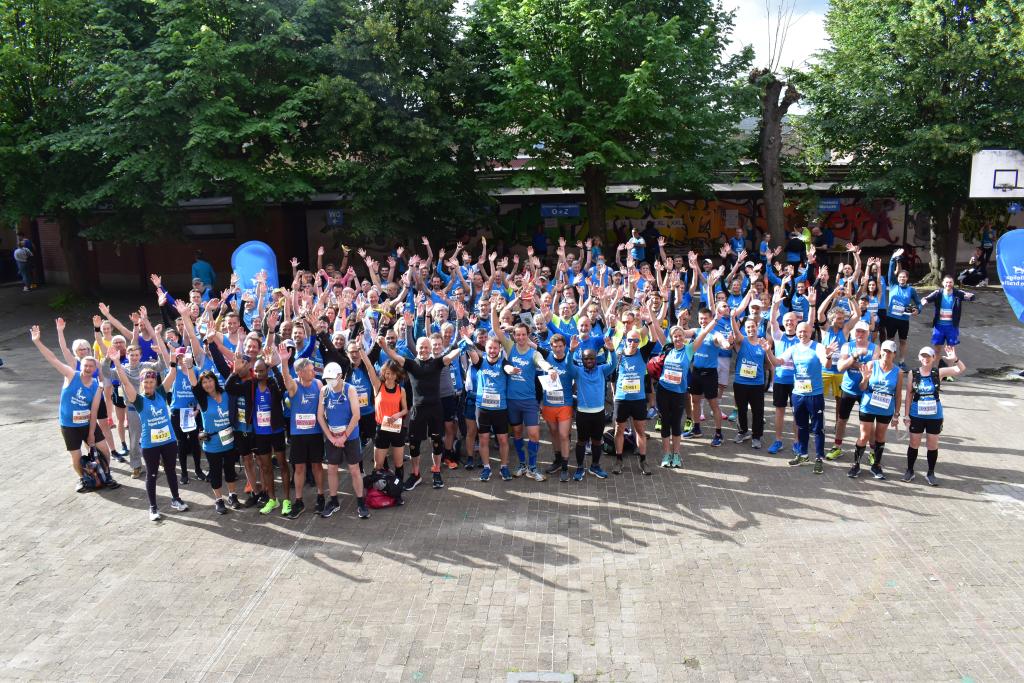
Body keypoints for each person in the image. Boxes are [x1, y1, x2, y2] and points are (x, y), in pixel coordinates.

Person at [31, 326, 115, 492]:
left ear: (95, 369)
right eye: (85, 365)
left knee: (104, 448)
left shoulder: (95, 387)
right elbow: (53, 359)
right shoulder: (71, 375)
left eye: (92, 366)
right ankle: (84, 479)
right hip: (69, 426)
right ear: (80, 365)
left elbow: (94, 412)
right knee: (76, 456)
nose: (88, 368)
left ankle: (106, 474)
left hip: (86, 424)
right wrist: (37, 341)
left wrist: (91, 433)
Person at [110, 345, 189, 521]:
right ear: (142, 382)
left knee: (170, 471)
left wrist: (174, 360)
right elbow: (126, 382)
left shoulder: (161, 392)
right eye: (146, 382)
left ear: (155, 382)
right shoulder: (137, 400)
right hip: (150, 444)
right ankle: (153, 508)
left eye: (151, 382)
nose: (149, 385)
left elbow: (172, 374)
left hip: (168, 441)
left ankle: (176, 499)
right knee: (152, 474)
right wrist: (116, 361)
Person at [378, 334, 462, 490]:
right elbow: (394, 355)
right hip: (418, 409)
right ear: (416, 349)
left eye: (426, 347)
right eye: (421, 347)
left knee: (437, 442)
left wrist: (462, 346)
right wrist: (383, 345)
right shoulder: (410, 364)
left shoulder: (437, 363)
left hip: (435, 409)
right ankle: (416, 474)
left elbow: (450, 355)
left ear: (430, 349)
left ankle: (436, 471)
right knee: (414, 444)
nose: (424, 350)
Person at [494, 320, 558, 481]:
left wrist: (549, 369)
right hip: (512, 400)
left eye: (524, 334)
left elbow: (542, 362)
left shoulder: (533, 353)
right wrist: (494, 307)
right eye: (518, 334)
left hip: (529, 401)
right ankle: (522, 464)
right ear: (514, 336)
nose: (521, 337)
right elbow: (496, 329)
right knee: (516, 433)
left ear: (528, 335)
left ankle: (533, 467)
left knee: (534, 434)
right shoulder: (509, 347)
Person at [775, 290, 829, 474]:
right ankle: (803, 454)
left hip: (814, 395)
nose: (802, 334)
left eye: (805, 331)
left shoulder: (818, 347)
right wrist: (767, 351)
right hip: (798, 395)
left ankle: (819, 457)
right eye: (799, 332)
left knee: (817, 429)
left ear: (810, 332)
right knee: (801, 426)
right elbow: (778, 362)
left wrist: (828, 357)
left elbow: (825, 362)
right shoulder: (794, 348)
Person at [901, 346, 965, 485]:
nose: (925, 358)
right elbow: (909, 395)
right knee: (914, 443)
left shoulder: (938, 372)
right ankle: (910, 470)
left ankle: (930, 473)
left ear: (933, 358)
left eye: (928, 356)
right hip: (917, 414)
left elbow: (960, 369)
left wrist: (955, 359)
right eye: (923, 356)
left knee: (932, 444)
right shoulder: (913, 373)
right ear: (919, 357)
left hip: (934, 415)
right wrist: (906, 416)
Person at [186, 364, 240, 514]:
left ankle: (232, 496)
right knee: (215, 473)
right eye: (204, 382)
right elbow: (193, 384)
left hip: (229, 441)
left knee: (230, 470)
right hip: (212, 444)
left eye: (210, 381)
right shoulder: (203, 399)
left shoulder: (226, 395)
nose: (208, 384)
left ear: (215, 381)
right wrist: (190, 367)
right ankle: (219, 500)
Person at [318, 362, 369, 519]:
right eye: (327, 379)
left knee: (354, 469)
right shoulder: (324, 391)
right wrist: (331, 437)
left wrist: (344, 436)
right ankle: (333, 501)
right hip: (333, 438)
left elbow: (356, 415)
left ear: (340, 376)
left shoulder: (350, 389)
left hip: (350, 436)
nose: (329, 381)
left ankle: (361, 502)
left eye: (332, 378)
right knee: (332, 469)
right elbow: (320, 416)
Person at [849, 340, 903, 480]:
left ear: (894, 354)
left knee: (880, 436)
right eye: (884, 350)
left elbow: (898, 394)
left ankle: (876, 465)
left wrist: (897, 414)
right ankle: (855, 464)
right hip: (868, 405)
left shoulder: (898, 372)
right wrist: (865, 379)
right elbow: (861, 388)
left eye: (889, 351)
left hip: (886, 408)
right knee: (864, 436)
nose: (886, 354)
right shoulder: (871, 365)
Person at [280, 355, 326, 518]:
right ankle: (298, 501)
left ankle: (321, 497)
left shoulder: (318, 384)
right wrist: (284, 361)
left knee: (317, 466)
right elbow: (285, 378)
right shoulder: (294, 385)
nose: (313, 372)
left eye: (313, 369)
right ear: (300, 372)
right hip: (298, 435)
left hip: (315, 433)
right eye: (310, 370)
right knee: (299, 468)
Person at [828, 321, 877, 460]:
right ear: (853, 332)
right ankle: (837, 447)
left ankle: (873, 451)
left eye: (863, 332)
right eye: (857, 331)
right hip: (848, 389)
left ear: (868, 333)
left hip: (866, 390)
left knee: (868, 423)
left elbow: (871, 368)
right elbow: (840, 367)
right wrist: (855, 356)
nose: (860, 334)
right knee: (842, 420)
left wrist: (852, 364)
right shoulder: (847, 346)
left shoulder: (875, 348)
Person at [728, 309, 777, 449]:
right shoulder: (741, 341)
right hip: (740, 383)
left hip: (757, 384)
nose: (750, 329)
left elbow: (769, 364)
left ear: (757, 328)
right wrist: (732, 318)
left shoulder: (763, 343)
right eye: (748, 327)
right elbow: (736, 331)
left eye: (753, 327)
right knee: (741, 409)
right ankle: (742, 431)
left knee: (758, 411)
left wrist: (762, 367)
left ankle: (757, 436)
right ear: (745, 329)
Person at [571, 339, 617, 481]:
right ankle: (579, 467)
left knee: (597, 442)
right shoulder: (578, 372)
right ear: (582, 360)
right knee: (581, 442)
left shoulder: (602, 370)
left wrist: (612, 351)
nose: (589, 360)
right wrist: (571, 351)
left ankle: (595, 466)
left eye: (592, 358)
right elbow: (567, 365)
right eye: (586, 358)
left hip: (599, 413)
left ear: (596, 359)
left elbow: (613, 364)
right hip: (583, 414)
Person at [540, 334, 576, 482]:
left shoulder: (569, 357)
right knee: (554, 433)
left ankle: (566, 467)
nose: (558, 349)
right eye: (555, 346)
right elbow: (530, 344)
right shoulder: (547, 357)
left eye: (561, 346)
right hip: (549, 403)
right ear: (551, 346)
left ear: (565, 347)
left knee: (563, 435)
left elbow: (574, 374)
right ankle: (557, 460)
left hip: (565, 404)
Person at [920, 276, 976, 362]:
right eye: (946, 282)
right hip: (939, 326)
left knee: (951, 351)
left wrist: (971, 296)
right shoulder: (938, 293)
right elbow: (927, 298)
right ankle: (937, 370)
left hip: (952, 327)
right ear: (943, 283)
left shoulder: (958, 293)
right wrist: (924, 301)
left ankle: (950, 372)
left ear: (953, 283)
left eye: (950, 282)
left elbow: (971, 297)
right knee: (937, 350)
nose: (948, 284)